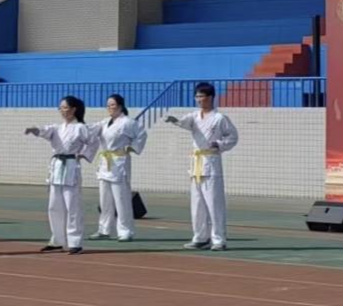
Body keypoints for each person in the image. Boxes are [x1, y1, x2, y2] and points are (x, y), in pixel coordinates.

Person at [165, 82, 239, 252]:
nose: (199, 100)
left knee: (214, 204)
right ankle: (200, 237)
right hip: (196, 164)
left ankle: (219, 239)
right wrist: (176, 121)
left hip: (211, 162)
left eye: (202, 96)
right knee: (197, 204)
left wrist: (219, 144)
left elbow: (233, 137)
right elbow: (185, 123)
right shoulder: (194, 116)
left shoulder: (220, 118)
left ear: (210, 97)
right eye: (197, 96)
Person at [25, 96, 95, 255]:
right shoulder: (57, 127)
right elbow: (45, 131)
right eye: (60, 108)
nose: (62, 110)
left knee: (72, 206)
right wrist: (34, 130)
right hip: (56, 167)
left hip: (71, 166)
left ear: (73, 109)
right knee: (54, 206)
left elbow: (93, 142)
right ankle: (57, 240)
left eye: (64, 107)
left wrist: (83, 154)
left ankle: (75, 242)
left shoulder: (81, 128)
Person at [87, 94, 147, 242]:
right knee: (104, 199)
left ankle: (125, 231)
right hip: (105, 163)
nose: (110, 108)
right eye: (108, 105)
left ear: (120, 106)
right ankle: (104, 229)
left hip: (119, 162)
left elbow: (141, 134)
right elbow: (91, 129)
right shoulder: (104, 122)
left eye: (113, 105)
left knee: (121, 198)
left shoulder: (128, 122)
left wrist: (132, 147)